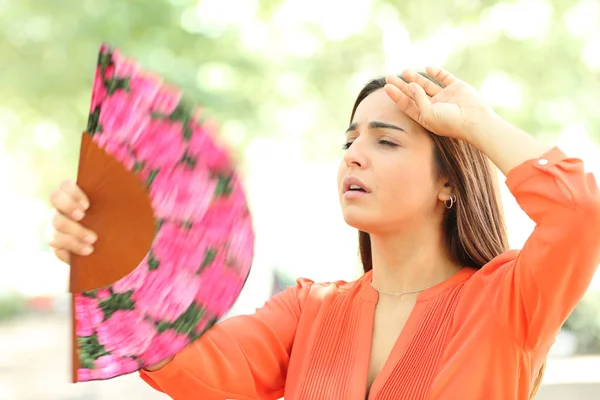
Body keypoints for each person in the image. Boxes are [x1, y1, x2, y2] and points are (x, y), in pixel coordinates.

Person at [48, 67, 600, 400]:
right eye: (349, 141)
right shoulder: (308, 311)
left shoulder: (507, 301)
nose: (354, 155)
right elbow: (184, 361)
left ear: (447, 182)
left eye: (385, 141)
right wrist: (103, 248)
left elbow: (580, 214)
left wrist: (478, 122)